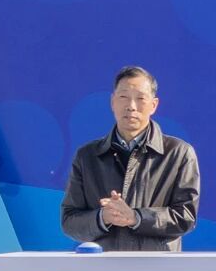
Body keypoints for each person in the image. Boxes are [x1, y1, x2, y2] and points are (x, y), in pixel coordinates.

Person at [61, 65, 201, 251]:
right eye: (123, 97)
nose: (131, 106)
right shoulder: (87, 156)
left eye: (140, 98)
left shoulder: (179, 153)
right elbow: (69, 221)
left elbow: (186, 218)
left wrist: (136, 218)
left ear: (154, 105)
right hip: (103, 267)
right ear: (112, 102)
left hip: (157, 267)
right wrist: (102, 218)